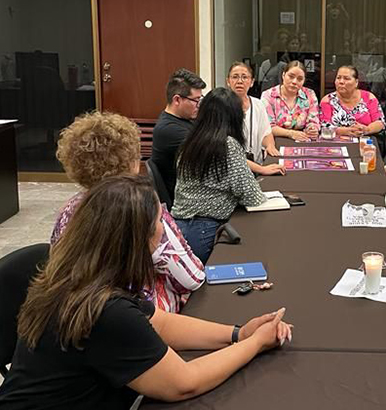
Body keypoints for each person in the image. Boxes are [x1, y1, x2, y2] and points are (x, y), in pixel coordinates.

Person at [0, 176, 292, 409]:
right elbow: (183, 383)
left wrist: (237, 333)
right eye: (158, 223)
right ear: (137, 240)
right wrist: (255, 344)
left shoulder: (83, 277)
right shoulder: (105, 310)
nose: (162, 230)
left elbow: (159, 322)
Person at [51, 111, 204, 313]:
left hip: (85, 318)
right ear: (130, 162)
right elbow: (191, 278)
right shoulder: (143, 208)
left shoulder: (68, 211)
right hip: (146, 321)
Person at [172, 87, 267, 263]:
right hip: (205, 230)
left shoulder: (190, 141)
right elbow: (251, 196)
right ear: (234, 116)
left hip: (180, 227)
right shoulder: (228, 145)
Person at [151, 69, 207, 200]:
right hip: (187, 202)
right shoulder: (169, 130)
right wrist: (261, 169)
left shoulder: (185, 119)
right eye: (196, 100)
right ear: (177, 100)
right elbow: (216, 153)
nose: (199, 105)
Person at [226, 62, 285, 176]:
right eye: (235, 77)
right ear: (228, 81)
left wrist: (270, 146)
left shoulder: (258, 104)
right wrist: (261, 169)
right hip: (230, 170)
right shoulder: (220, 106)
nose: (239, 81)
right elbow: (226, 154)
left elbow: (266, 132)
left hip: (255, 166)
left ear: (252, 82)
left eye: (244, 77)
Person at [261, 60, 320, 142]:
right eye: (291, 76)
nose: (294, 82)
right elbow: (268, 127)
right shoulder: (268, 95)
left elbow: (313, 121)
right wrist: (291, 133)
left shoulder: (310, 94)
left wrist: (312, 129)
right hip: (275, 142)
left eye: (300, 79)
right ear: (283, 75)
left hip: (302, 141)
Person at [319, 65, 386, 137]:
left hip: (365, 141)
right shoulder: (327, 100)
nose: (341, 82)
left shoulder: (369, 97)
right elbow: (324, 127)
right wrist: (346, 131)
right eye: (338, 78)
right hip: (337, 144)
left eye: (346, 79)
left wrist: (366, 129)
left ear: (356, 82)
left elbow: (380, 122)